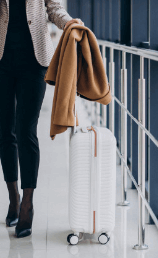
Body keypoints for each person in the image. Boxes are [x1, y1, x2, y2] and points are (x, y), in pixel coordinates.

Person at [0, 0, 83, 238]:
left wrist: (70, 24)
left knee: (26, 130)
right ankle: (13, 197)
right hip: (2, 59)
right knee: (5, 131)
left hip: (34, 60)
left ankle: (27, 203)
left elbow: (54, 8)